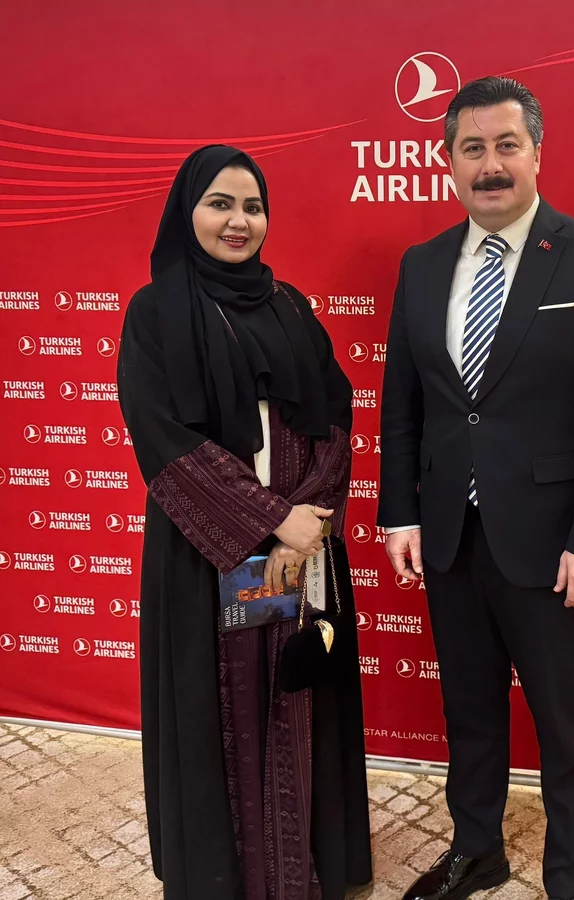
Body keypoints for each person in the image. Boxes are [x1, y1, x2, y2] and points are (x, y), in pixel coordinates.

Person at [378, 77, 574, 900]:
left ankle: (571, 876)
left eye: (507, 145)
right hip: (451, 539)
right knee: (468, 713)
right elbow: (404, 404)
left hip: (556, 547)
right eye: (472, 148)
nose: (490, 165)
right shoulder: (422, 265)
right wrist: (401, 513)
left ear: (537, 153)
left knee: (568, 728)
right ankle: (477, 850)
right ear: (448, 161)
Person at [117, 145, 372, 900]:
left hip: (307, 547)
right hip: (206, 555)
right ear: (186, 212)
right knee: (217, 710)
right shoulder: (155, 313)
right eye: (220, 204)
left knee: (302, 688)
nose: (239, 221)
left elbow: (336, 414)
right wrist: (269, 521)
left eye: (253, 207)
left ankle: (308, 866)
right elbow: (163, 438)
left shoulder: (290, 306)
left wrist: (309, 519)